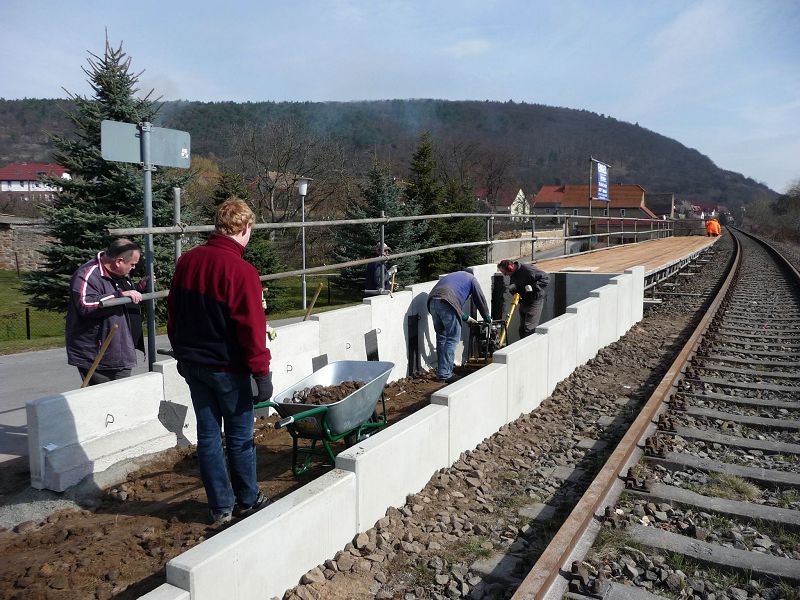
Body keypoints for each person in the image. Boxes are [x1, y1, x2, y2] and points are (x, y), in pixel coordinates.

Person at [167, 198, 273, 525]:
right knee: (240, 437)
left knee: (209, 435)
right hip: (228, 369)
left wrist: (182, 353)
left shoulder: (187, 261)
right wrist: (262, 373)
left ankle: (219, 507)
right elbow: (252, 330)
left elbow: (173, 314)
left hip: (194, 366)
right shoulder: (241, 271)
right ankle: (248, 499)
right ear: (244, 228)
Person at [66, 238, 147, 385]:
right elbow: (85, 304)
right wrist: (118, 296)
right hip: (99, 356)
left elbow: (122, 291)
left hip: (121, 350)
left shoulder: (118, 272)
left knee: (121, 399)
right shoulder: (87, 274)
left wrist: (139, 288)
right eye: (132, 264)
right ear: (119, 261)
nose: (134, 268)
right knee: (106, 401)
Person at [427, 271, 491, 383]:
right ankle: (445, 374)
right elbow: (479, 298)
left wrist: (465, 317)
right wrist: (486, 316)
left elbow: (450, 300)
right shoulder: (471, 279)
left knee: (442, 336)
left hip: (432, 302)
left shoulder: (453, 277)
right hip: (447, 302)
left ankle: (444, 368)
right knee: (452, 338)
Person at [497, 259, 550, 339]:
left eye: (505, 273)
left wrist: (533, 287)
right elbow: (518, 283)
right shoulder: (513, 273)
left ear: (510, 268)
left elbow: (546, 278)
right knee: (522, 329)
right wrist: (513, 288)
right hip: (524, 301)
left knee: (529, 329)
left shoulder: (527, 269)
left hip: (534, 301)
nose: (506, 275)